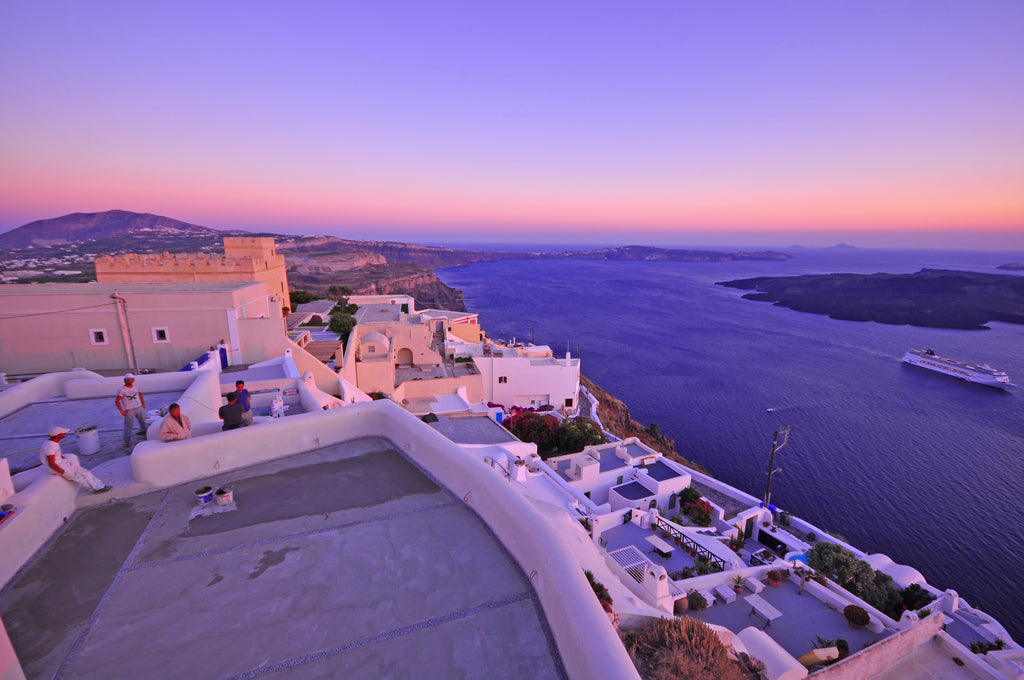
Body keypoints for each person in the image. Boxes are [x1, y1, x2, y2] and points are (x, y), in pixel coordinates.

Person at [40, 427, 111, 493]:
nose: (65, 434)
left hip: (61, 463)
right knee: (78, 476)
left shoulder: (52, 443)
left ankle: (100, 485)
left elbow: (56, 454)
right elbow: (51, 463)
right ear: (58, 435)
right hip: (57, 467)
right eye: (63, 433)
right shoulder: (50, 446)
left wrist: (64, 459)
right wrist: (63, 472)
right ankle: (96, 489)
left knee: (85, 472)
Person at [115, 373, 147, 448]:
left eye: (131, 379)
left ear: (133, 380)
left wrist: (143, 403)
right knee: (128, 425)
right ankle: (126, 441)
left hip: (139, 407)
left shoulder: (136, 386)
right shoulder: (122, 390)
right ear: (124, 380)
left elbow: (139, 394)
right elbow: (117, 401)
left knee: (143, 421)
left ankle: (144, 433)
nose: (129, 380)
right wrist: (121, 411)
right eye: (127, 379)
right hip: (129, 409)